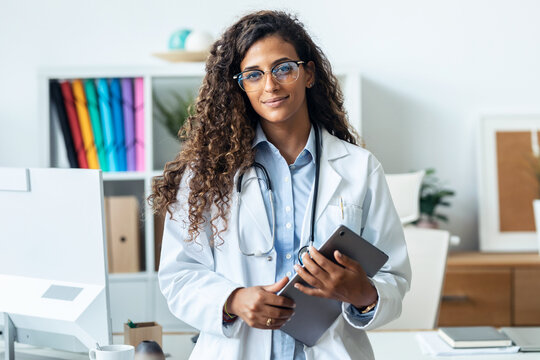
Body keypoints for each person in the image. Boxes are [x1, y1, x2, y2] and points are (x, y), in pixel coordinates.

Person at [150, 10, 411, 360]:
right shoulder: (208, 174)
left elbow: (394, 275)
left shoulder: (359, 168)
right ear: (239, 86)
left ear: (308, 74)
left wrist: (362, 292)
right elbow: (179, 276)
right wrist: (234, 300)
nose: (270, 86)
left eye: (283, 68)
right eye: (253, 75)